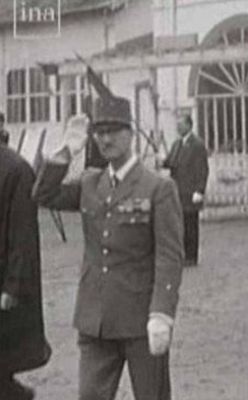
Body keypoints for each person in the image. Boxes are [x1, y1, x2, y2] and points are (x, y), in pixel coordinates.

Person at [33, 92, 184, 400]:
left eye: (113, 130)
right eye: (99, 132)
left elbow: (170, 256)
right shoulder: (91, 183)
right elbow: (43, 195)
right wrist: (65, 151)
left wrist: (162, 313)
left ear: (130, 133)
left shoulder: (158, 187)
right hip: (95, 318)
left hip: (140, 318)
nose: (105, 138)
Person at [0, 146, 51, 400]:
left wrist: (13, 285)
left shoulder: (16, 169)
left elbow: (23, 234)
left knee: (4, 356)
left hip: (4, 279)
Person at [163, 113, 209, 267]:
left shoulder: (197, 145)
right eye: (177, 124)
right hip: (177, 190)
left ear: (189, 125)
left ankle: (191, 256)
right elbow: (171, 162)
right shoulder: (177, 144)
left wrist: (200, 191)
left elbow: (202, 169)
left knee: (191, 225)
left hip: (190, 191)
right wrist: (162, 160)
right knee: (179, 224)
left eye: (181, 124)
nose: (178, 127)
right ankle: (181, 254)